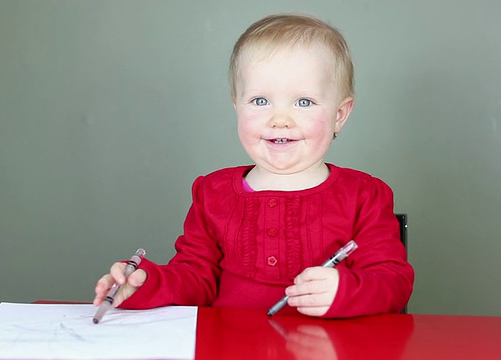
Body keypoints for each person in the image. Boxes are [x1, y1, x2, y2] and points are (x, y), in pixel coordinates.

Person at [94, 13, 414, 318]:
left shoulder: (364, 195)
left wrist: (346, 292)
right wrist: (145, 285)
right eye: (260, 101)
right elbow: (195, 279)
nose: (280, 119)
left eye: (304, 102)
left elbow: (393, 283)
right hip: (228, 349)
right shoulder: (212, 192)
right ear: (237, 105)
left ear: (339, 115)